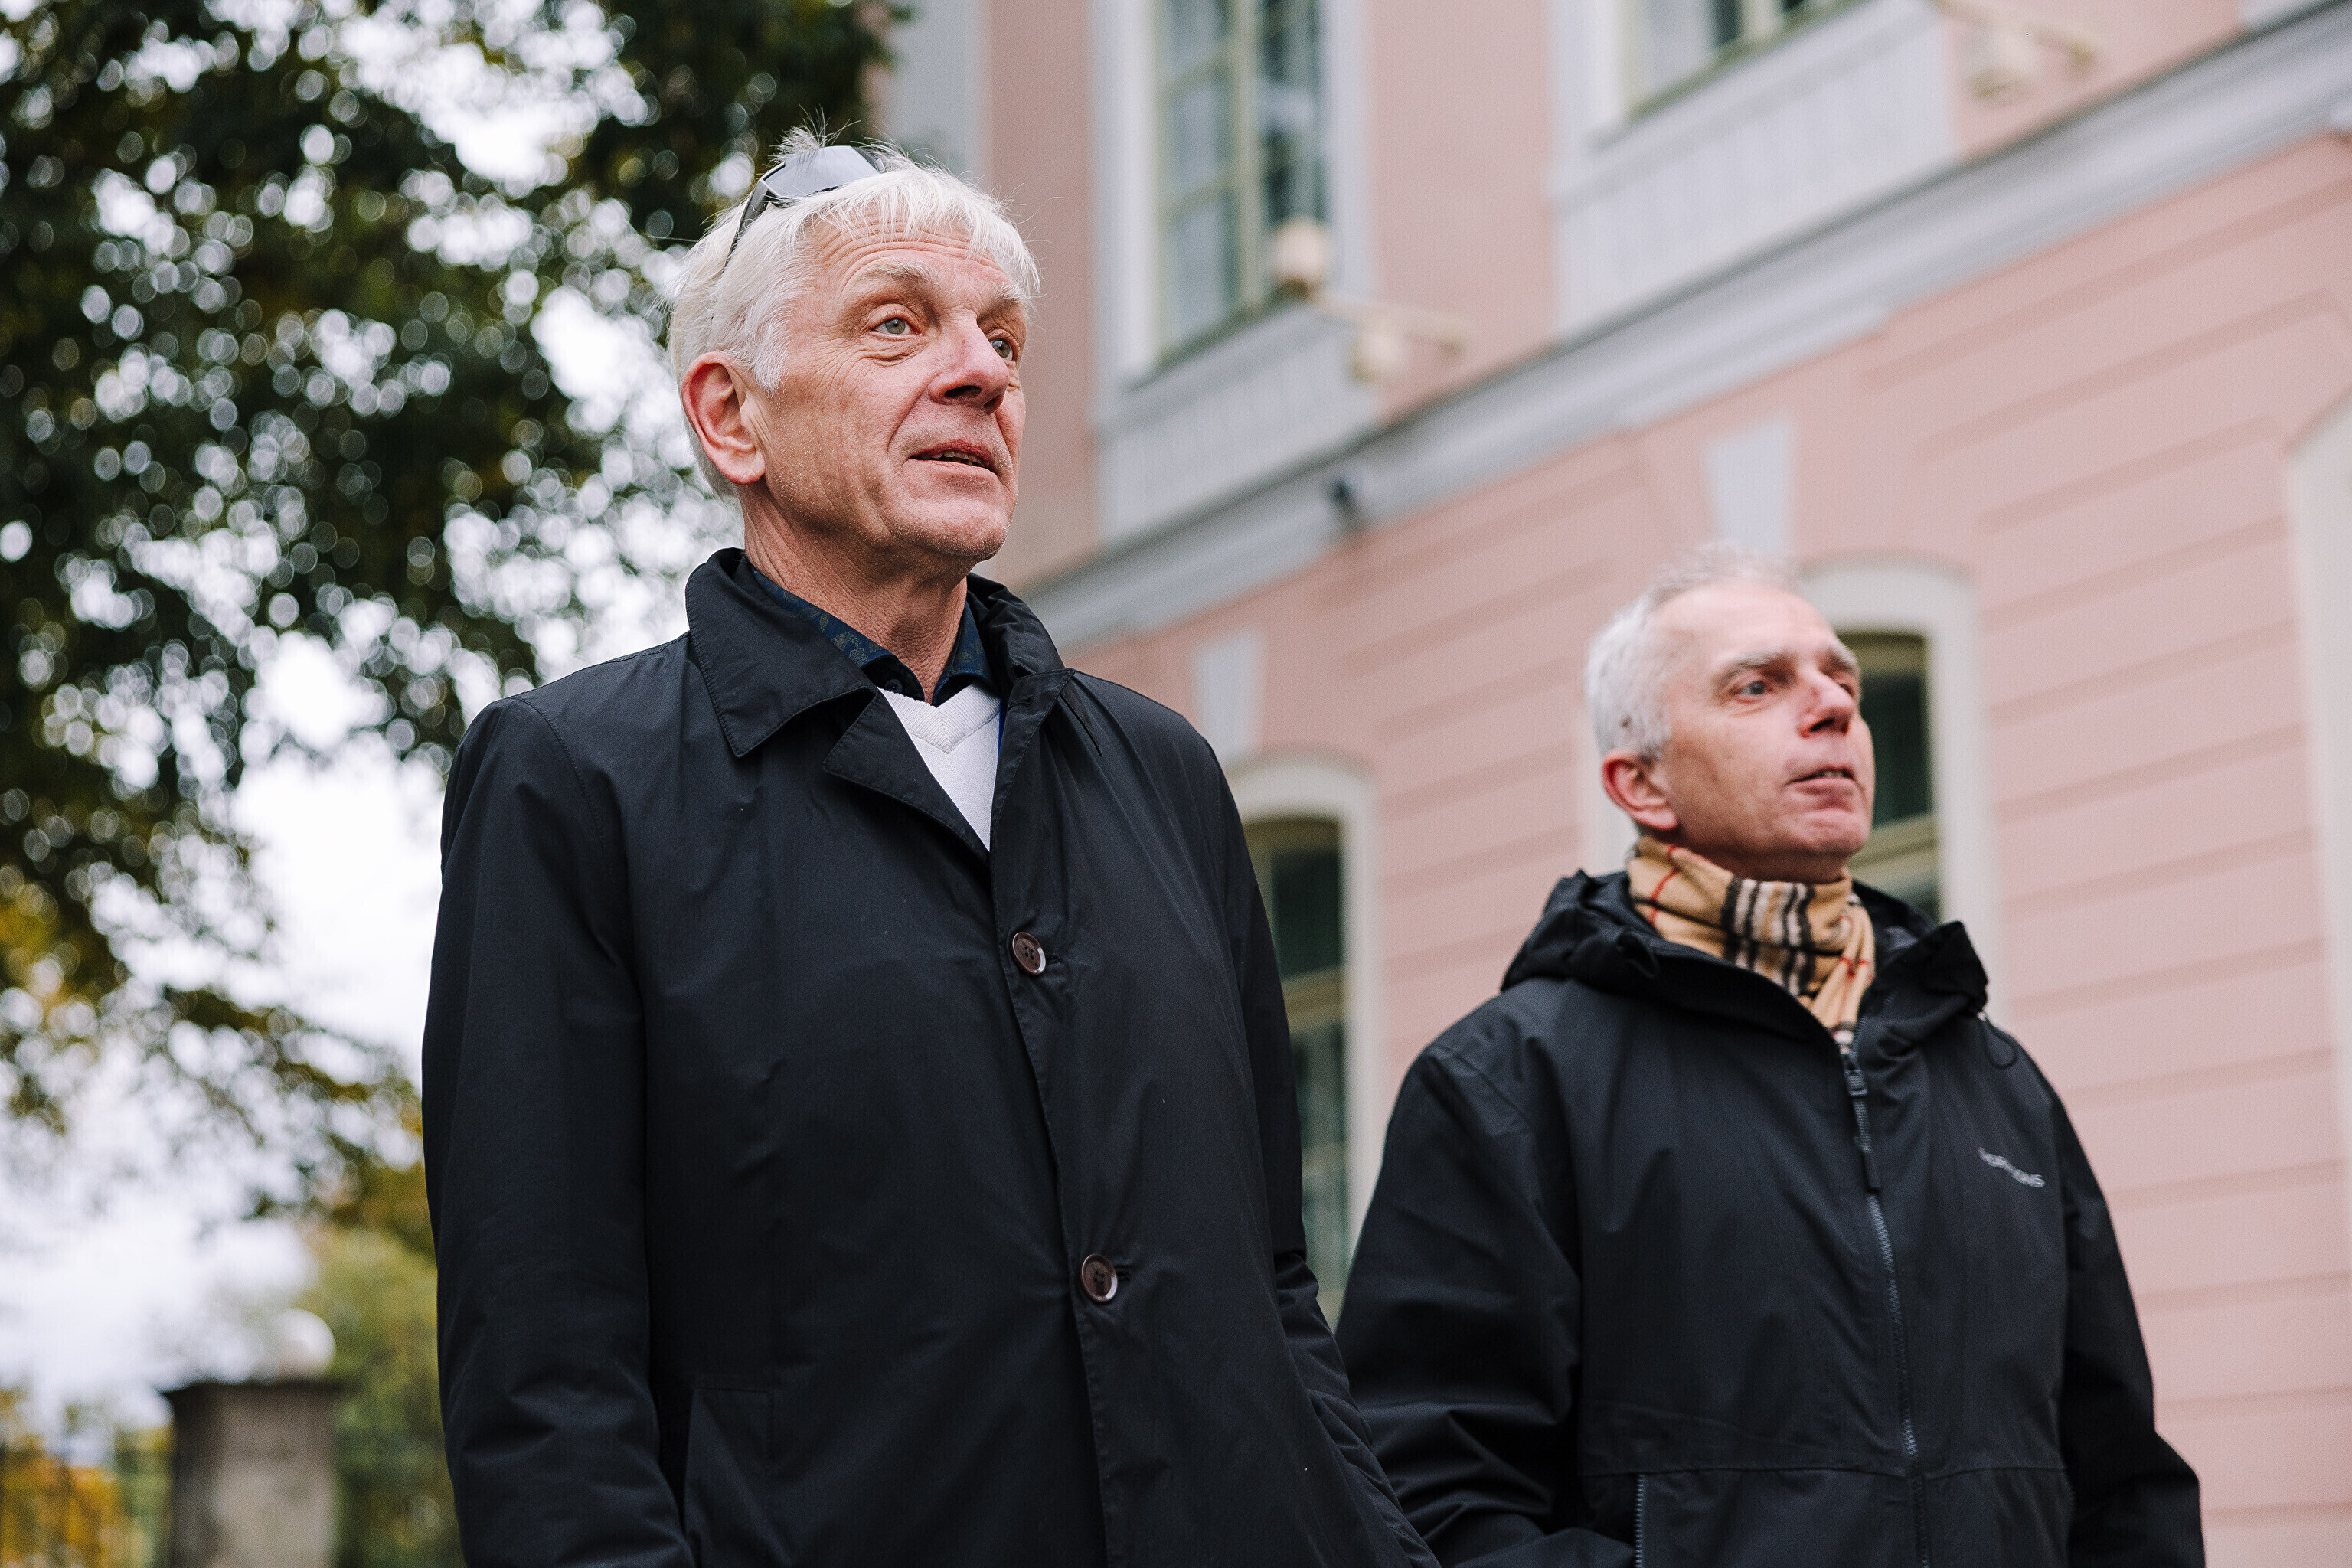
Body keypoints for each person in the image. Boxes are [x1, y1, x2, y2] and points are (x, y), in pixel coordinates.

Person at [422, 135, 1433, 1568]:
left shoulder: (1165, 773)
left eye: (1002, 339)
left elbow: (1270, 1285)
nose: (981, 375)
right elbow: (546, 1391)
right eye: (898, 325)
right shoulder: (573, 781)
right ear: (732, 417)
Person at [1335, 547, 2202, 1567]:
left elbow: (2121, 1487)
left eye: (1843, 681)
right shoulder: (1508, 1082)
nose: (1831, 706)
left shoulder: (1998, 1084)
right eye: (1758, 685)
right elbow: (1431, 1502)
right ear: (1640, 783)